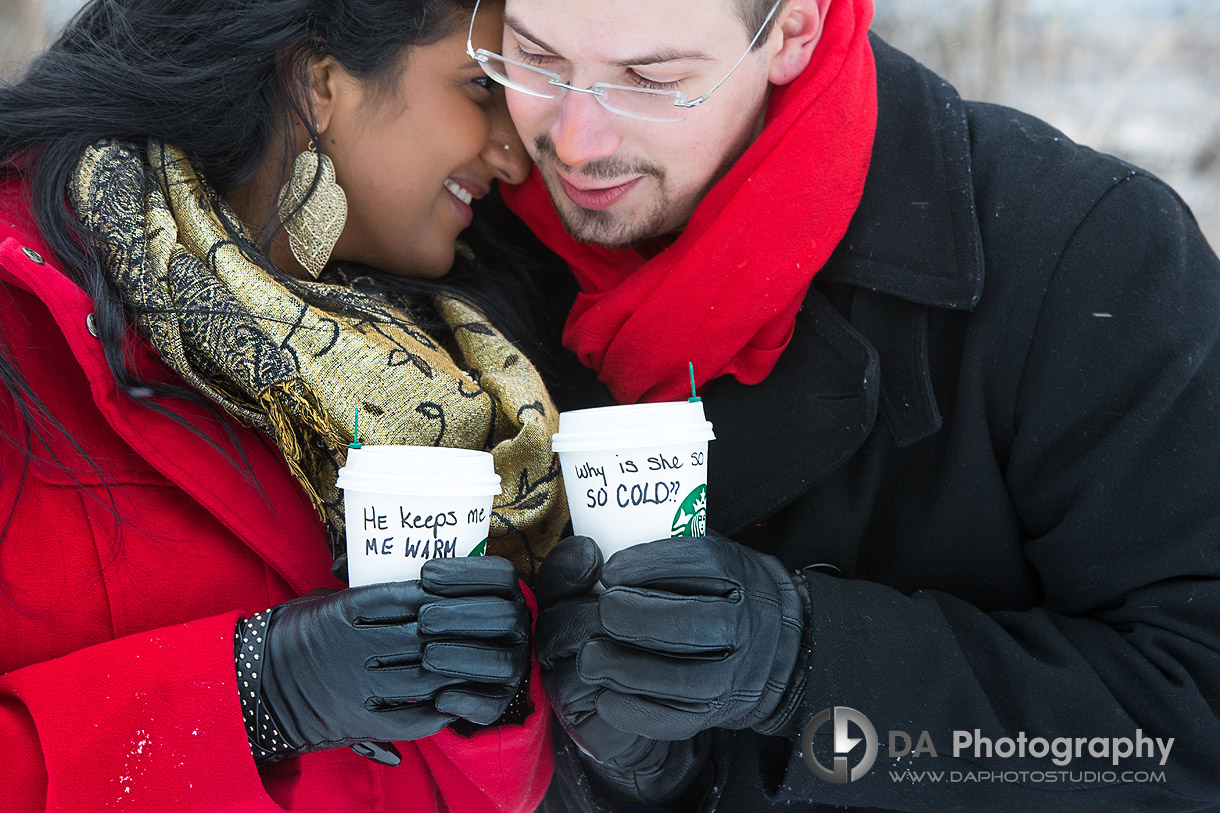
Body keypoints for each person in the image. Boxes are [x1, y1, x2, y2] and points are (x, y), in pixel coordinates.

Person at [470, 0, 1220, 809]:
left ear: (791, 30)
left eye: (651, 80)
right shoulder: (459, 249)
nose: (577, 140)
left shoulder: (1082, 253)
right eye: (536, 58)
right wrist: (637, 769)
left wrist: (814, 665)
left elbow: (1189, 724)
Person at [0, 0, 569, 810]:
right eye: (481, 88)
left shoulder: (448, 369)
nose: (516, 156)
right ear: (318, 81)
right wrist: (251, 699)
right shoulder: (23, 322)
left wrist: (496, 691)